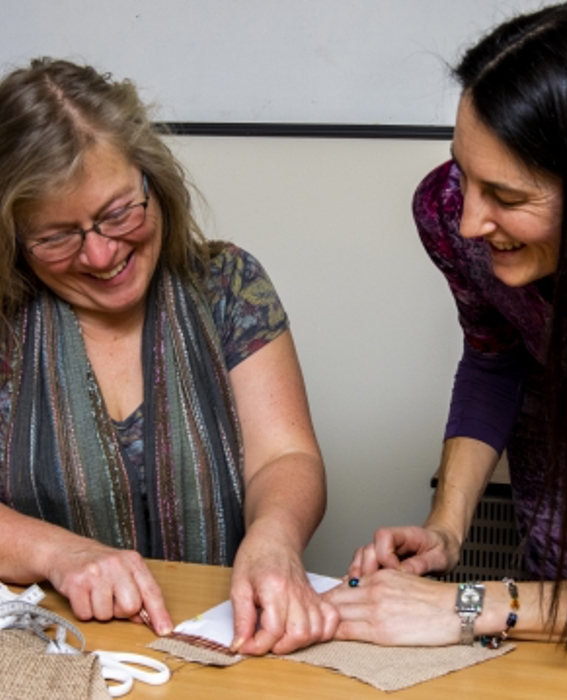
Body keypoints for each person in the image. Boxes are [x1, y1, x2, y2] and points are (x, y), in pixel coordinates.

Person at [325, 0, 567, 647]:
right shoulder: (449, 214)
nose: (469, 220)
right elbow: (496, 356)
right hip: (548, 592)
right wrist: (447, 526)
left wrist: (467, 606)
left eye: (506, 196)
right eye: (464, 172)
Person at [0, 58, 337, 655]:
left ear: (154, 181)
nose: (102, 256)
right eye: (57, 237)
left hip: (222, 650)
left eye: (118, 213)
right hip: (46, 655)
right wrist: (58, 553)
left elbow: (283, 454)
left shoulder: (228, 284)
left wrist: (274, 537)